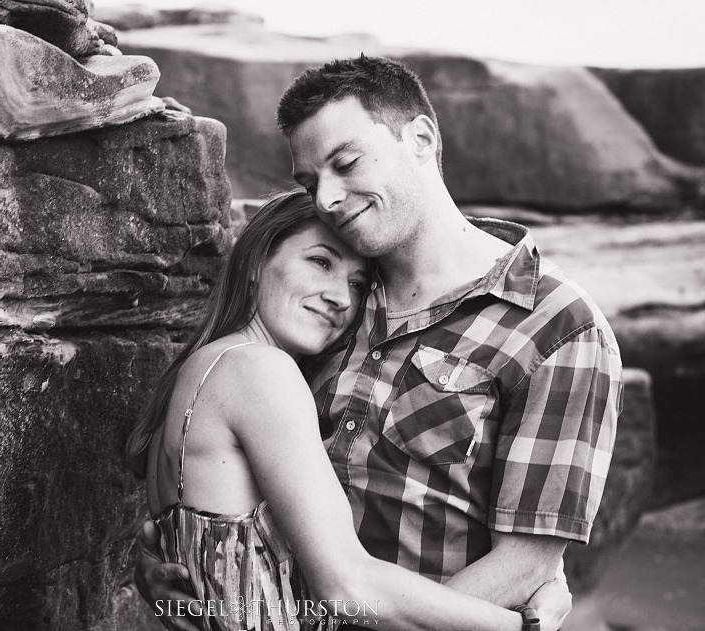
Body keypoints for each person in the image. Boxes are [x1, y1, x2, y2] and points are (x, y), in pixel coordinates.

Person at [137, 55, 622, 629]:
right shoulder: (325, 306)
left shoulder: (558, 327)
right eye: (310, 182)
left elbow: (526, 561)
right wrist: (189, 557)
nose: (327, 199)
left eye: (346, 163)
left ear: (419, 137)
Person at [126, 191, 571, 631]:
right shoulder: (258, 370)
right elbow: (346, 586)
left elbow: (211, 589)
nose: (341, 297)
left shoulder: (201, 371)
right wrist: (521, 626)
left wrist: (543, 574)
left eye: (357, 284)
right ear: (256, 265)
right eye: (320, 262)